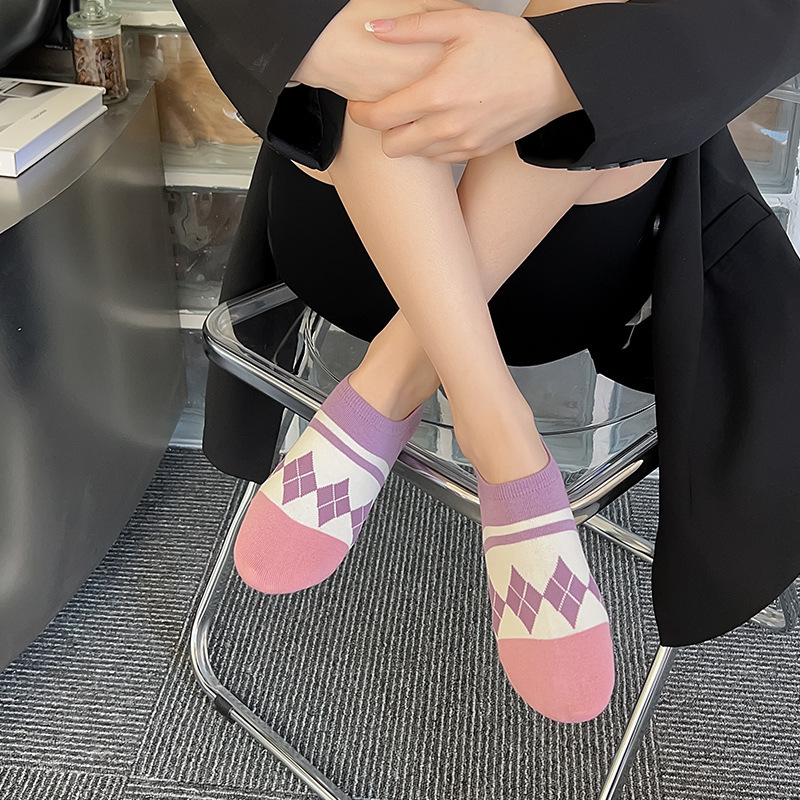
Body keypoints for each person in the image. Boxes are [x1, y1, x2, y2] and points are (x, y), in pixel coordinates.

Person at [175, 0, 800, 685]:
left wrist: (561, 69)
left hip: (576, 252)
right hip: (351, 217)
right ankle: (502, 435)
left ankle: (391, 380)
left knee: (603, 20)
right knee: (388, 16)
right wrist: (310, 33)